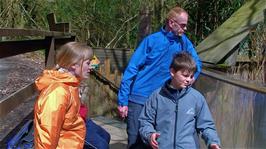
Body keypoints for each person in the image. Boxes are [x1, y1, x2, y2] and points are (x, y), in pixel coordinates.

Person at [117, 6, 202, 148]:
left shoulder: (184, 42)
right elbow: (131, 69)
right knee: (135, 141)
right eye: (182, 25)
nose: (185, 28)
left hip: (162, 100)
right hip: (140, 99)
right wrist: (123, 101)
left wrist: (192, 77)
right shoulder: (151, 41)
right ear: (171, 23)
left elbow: (197, 63)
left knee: (157, 141)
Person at [138, 52, 221, 149]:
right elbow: (145, 121)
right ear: (172, 72)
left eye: (191, 76)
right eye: (185, 75)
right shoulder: (156, 96)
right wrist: (149, 134)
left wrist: (213, 142)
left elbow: (206, 125)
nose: (188, 80)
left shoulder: (197, 98)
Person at [34, 42, 93, 148]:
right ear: (74, 64)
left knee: (104, 137)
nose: (91, 67)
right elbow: (47, 133)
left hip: (72, 140)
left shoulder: (71, 85)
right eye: (88, 63)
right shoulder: (58, 93)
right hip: (64, 144)